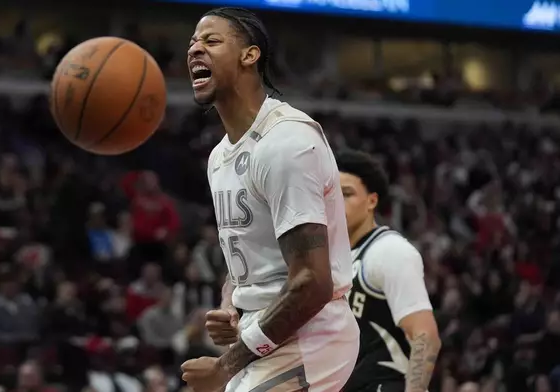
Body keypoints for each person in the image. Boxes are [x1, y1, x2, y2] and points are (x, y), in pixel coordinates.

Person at [180, 7, 359, 392]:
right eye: (193, 42)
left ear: (250, 55)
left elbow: (312, 283)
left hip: (312, 334)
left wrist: (224, 366)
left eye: (211, 41)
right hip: (263, 331)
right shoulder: (219, 157)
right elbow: (246, 258)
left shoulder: (287, 143)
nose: (195, 49)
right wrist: (231, 302)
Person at [336, 149, 441, 392]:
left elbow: (425, 335)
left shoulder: (389, 251)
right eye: (331, 195)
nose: (336, 204)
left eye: (347, 194)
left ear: (372, 201)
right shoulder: (331, 257)